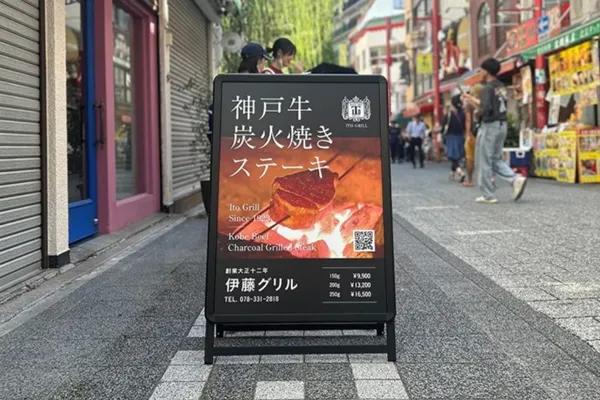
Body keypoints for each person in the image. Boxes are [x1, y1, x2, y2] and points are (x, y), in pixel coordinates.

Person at [476, 58, 527, 204]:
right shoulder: (500, 86)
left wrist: (477, 113)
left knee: (485, 160)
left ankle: (489, 195)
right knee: (495, 158)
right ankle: (515, 179)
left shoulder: (487, 88)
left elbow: (486, 109)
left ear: (486, 71)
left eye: (481, 70)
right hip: (502, 124)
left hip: (490, 125)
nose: (480, 72)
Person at [461, 83, 484, 187]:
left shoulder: (469, 104)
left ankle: (470, 180)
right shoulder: (484, 103)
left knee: (470, 158)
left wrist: (468, 134)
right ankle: (490, 178)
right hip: (485, 131)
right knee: (485, 156)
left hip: (473, 133)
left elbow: (468, 120)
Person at [442, 95, 466, 181]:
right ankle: (452, 173)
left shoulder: (449, 114)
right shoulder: (463, 113)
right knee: (457, 156)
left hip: (451, 137)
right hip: (460, 136)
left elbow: (443, 126)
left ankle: (460, 172)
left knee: (452, 157)